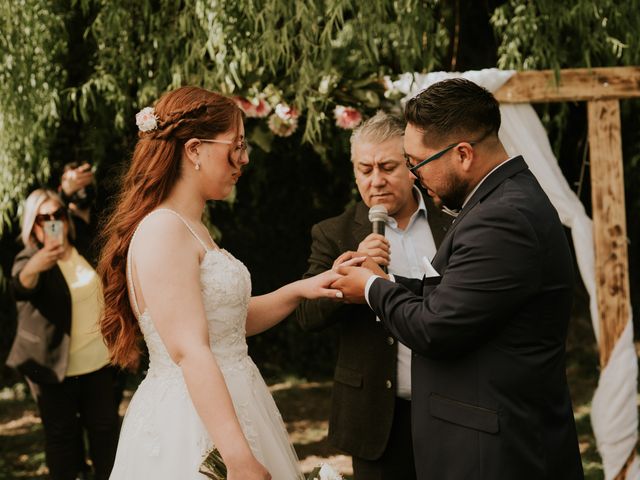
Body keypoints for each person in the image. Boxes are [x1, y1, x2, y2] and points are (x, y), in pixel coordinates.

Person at [332, 78, 584, 479]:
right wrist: (384, 277)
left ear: (463, 154)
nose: (414, 175)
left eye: (417, 163)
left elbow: (436, 326)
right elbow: (461, 299)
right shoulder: (496, 202)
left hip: (495, 454)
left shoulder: (503, 217)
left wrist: (371, 287)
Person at [98, 86, 342, 480]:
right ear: (194, 150)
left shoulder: (193, 227)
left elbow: (226, 324)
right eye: (237, 146)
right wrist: (238, 458)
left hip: (233, 401)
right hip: (193, 421)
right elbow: (191, 350)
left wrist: (301, 290)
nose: (244, 159)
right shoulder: (164, 229)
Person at [295, 111, 452, 480]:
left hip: (451, 406)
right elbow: (306, 315)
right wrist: (343, 274)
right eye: (365, 170)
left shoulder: (451, 220)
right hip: (378, 416)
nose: (376, 181)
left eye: (387, 167)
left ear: (411, 166)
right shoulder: (335, 233)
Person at [6, 188, 120, 480]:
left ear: (67, 219)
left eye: (58, 214)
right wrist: (37, 265)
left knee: (106, 434)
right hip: (52, 369)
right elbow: (21, 283)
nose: (53, 221)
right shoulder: (29, 258)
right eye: (44, 218)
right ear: (33, 224)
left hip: (98, 363)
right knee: (62, 441)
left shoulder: (84, 247)